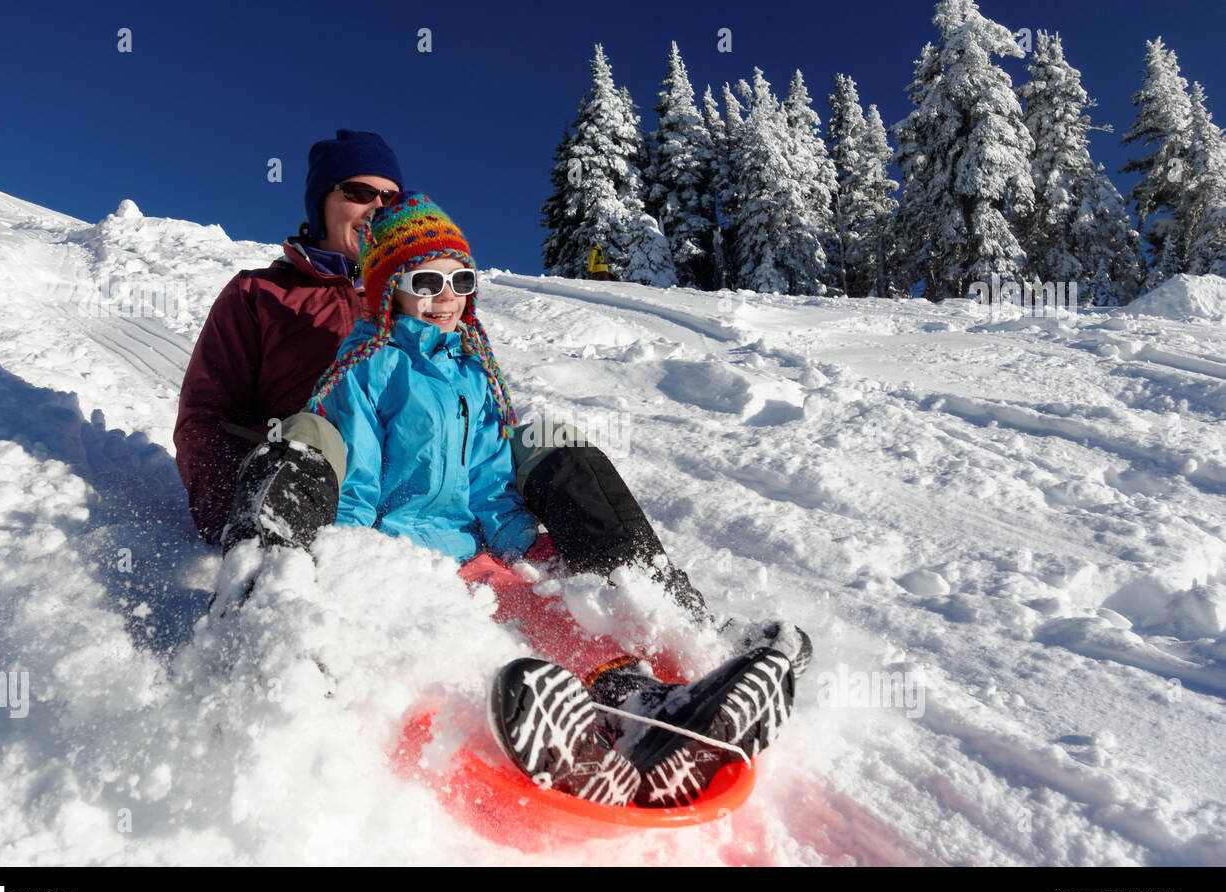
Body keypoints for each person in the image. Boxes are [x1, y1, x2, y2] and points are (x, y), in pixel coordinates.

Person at [306, 193, 811, 808]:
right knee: (481, 634)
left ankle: (636, 701)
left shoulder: (474, 371)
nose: (446, 297)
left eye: (460, 280)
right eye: (427, 281)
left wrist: (530, 548)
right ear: (389, 288)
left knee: (552, 603)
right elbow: (353, 482)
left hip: (475, 549)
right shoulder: (367, 367)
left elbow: (491, 483)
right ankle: (560, 733)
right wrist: (353, 562)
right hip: (408, 558)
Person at [175, 129, 711, 623]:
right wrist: (233, 513)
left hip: (422, 464)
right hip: (327, 479)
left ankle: (649, 595)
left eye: (390, 197)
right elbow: (205, 417)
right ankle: (265, 600)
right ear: (322, 202)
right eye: (360, 192)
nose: (377, 208)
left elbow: (472, 424)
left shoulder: (429, 306)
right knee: (307, 433)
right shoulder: (261, 295)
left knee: (546, 437)